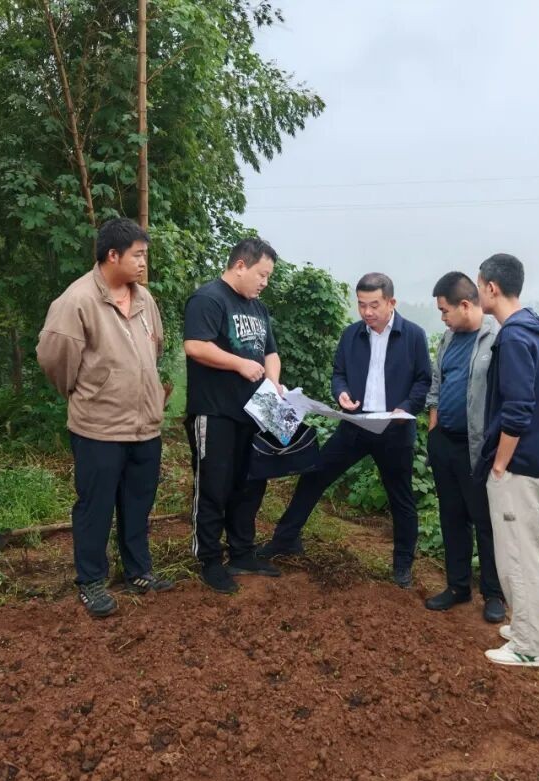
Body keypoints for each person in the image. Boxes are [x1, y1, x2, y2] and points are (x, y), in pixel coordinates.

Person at [257, 273, 432, 588]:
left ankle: (402, 565)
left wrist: (405, 407)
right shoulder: (352, 335)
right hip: (355, 425)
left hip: (394, 430)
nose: (367, 312)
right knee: (314, 476)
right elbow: (339, 373)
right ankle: (285, 539)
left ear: (391, 302)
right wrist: (341, 393)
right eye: (362, 305)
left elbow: (423, 380)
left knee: (401, 498)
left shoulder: (414, 336)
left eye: (374, 305)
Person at [37, 218, 172, 618]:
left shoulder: (145, 300)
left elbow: (155, 349)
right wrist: (90, 393)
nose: (144, 263)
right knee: (95, 507)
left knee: (138, 503)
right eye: (138, 255)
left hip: (145, 426)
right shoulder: (77, 301)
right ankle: (91, 580)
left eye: (145, 255)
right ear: (113, 255)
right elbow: (55, 360)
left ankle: (138, 571)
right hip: (99, 427)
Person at [475, 253, 539, 667]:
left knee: (517, 553)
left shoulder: (514, 337)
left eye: (479, 285)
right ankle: (536, 630)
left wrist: (500, 464)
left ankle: (528, 646)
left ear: (491, 287)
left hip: (519, 463)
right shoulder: (538, 330)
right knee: (530, 550)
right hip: (538, 459)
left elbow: (517, 409)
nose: (477, 293)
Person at [183, 237, 284, 594]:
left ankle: (242, 552)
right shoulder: (208, 299)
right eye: (262, 274)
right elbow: (196, 345)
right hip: (216, 412)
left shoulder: (258, 308)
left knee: (249, 485)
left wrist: (274, 382)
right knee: (214, 486)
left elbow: (270, 353)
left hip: (254, 413)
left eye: (268, 276)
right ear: (240, 265)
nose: (264, 282)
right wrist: (239, 364)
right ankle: (210, 560)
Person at [424, 272, 506, 623]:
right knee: (452, 517)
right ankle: (458, 586)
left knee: (485, 520)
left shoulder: (495, 339)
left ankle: (494, 593)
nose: (442, 318)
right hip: (445, 442)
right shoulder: (447, 339)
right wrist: (433, 431)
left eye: (445, 311)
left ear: (465, 305)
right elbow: (437, 385)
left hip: (478, 448)